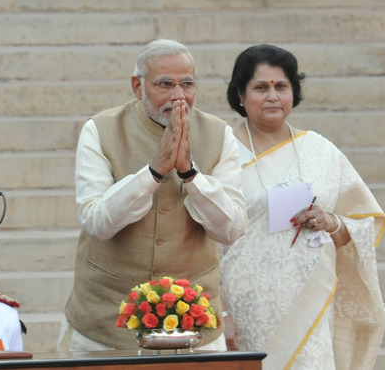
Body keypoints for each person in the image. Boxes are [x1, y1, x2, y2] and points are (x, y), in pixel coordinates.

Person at [58, 39, 247, 351]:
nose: (178, 96)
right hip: (108, 322)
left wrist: (190, 174)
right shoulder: (101, 130)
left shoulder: (218, 133)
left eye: (187, 84)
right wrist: (155, 171)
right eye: (164, 84)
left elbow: (232, 229)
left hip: (194, 322)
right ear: (137, 86)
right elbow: (97, 222)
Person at [219, 44, 385, 369]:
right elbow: (200, 234)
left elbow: (365, 222)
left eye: (281, 87)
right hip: (243, 306)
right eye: (260, 87)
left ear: (293, 93)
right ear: (239, 95)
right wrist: (220, 311)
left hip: (311, 301)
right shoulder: (220, 150)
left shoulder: (320, 150)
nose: (272, 96)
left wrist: (332, 223)